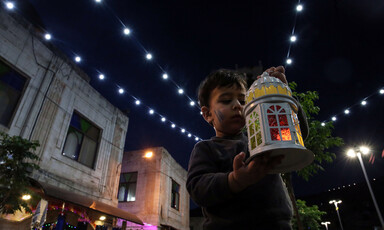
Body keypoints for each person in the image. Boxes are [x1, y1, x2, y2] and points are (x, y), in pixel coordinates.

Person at [186, 66, 294, 230]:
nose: (238, 105)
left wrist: (281, 97)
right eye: (226, 100)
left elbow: (292, 133)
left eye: (243, 101)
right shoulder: (206, 148)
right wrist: (234, 181)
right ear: (208, 114)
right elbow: (198, 188)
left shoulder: (263, 137)